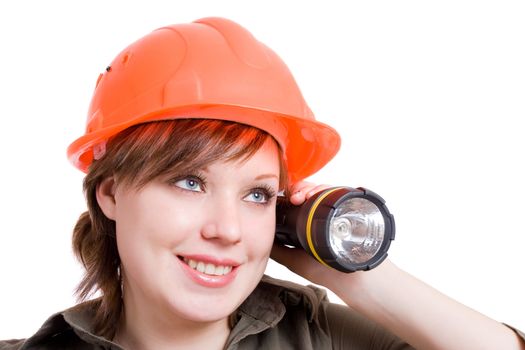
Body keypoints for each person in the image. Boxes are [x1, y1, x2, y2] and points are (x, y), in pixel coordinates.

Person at [1, 17, 523, 350]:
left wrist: (348, 267)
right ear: (110, 192)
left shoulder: (317, 338)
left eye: (256, 195)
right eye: (188, 181)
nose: (229, 230)